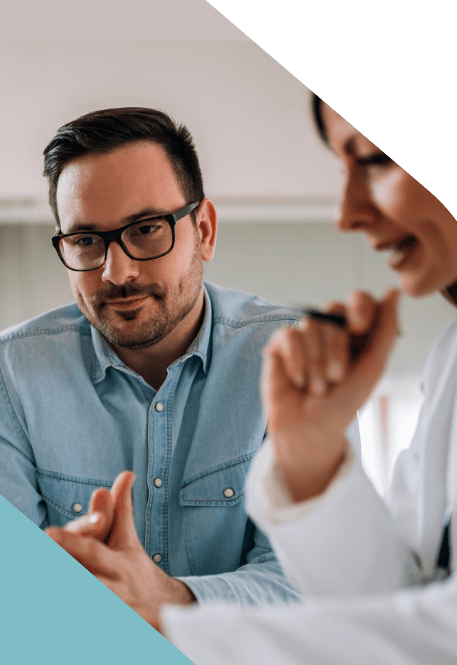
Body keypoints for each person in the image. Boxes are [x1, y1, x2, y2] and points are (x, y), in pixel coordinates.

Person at [45, 97, 457, 665]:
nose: (348, 213)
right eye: (86, 240)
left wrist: (169, 622)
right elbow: (393, 607)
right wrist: (310, 459)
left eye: (377, 161)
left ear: (204, 232)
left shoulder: (269, 343)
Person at [0, 105, 325, 609]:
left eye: (147, 229)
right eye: (86, 240)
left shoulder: (293, 356)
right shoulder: (11, 374)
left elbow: (308, 580)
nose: (116, 271)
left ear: (206, 230)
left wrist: (167, 601)